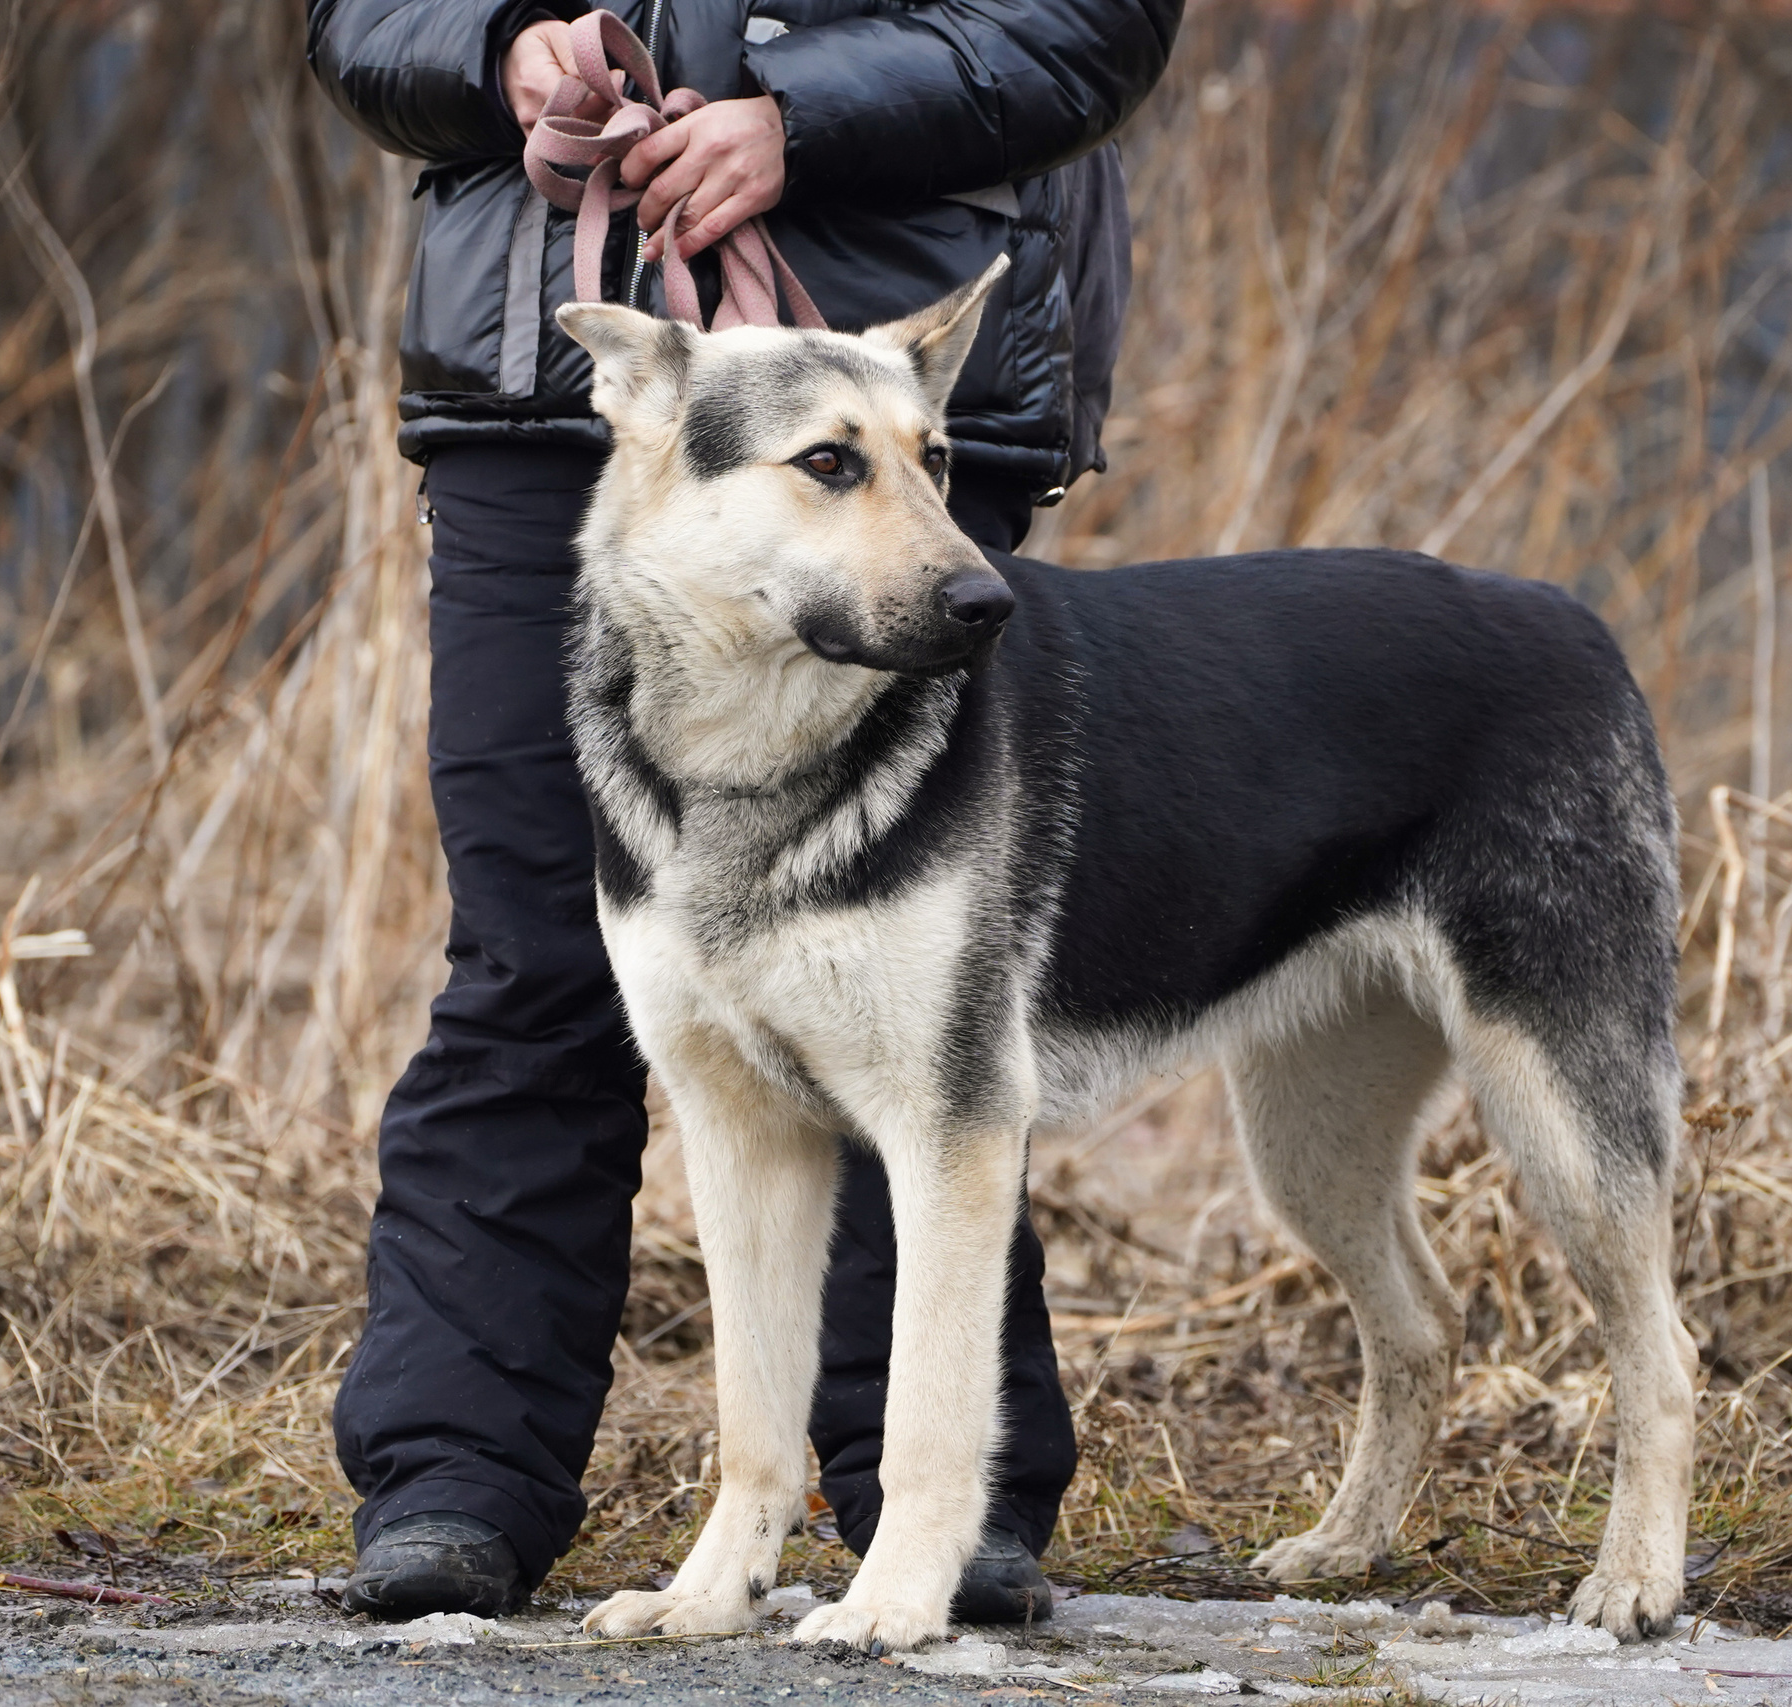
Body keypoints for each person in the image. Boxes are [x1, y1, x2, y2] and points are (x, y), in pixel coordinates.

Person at [304, 0, 1180, 1623]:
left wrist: (799, 113)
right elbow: (359, 17)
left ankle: (925, 1504)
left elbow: (1089, 23)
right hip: (526, 375)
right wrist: (499, 49)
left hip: (894, 366)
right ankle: (455, 1477)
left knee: (908, 1009)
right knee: (530, 952)